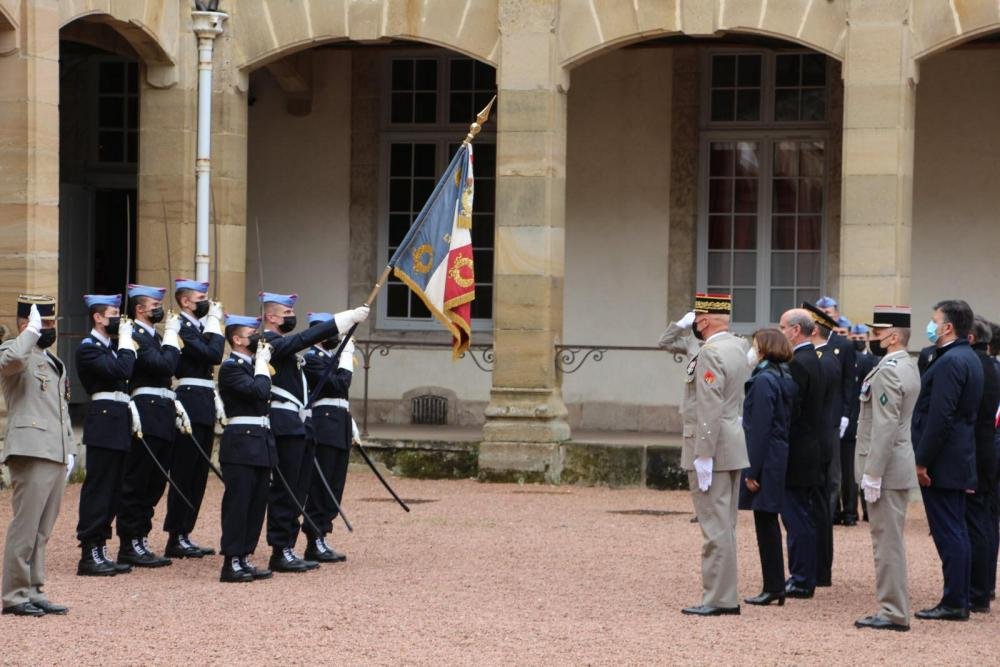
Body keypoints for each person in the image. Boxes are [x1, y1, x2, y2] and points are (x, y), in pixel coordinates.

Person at [260, 292, 369, 573]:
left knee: (297, 489)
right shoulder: (269, 342)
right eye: (286, 313)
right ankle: (280, 549)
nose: (290, 317)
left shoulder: (289, 351)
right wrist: (345, 320)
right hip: (284, 425)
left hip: (299, 425)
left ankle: (288, 546)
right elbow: (303, 343)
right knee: (285, 491)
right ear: (271, 317)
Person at [674, 293, 750, 617]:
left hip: (712, 446)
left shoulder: (710, 352)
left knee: (714, 526)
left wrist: (703, 454)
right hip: (731, 442)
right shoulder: (736, 347)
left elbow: (708, 406)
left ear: (703, 321)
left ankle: (719, 598)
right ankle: (725, 594)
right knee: (725, 525)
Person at [1, 295, 75, 616]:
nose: (48, 329)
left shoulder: (52, 361)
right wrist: (28, 333)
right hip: (30, 449)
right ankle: (15, 595)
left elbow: (60, 411)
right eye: (42, 323)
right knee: (26, 527)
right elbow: (10, 360)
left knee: (42, 530)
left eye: (50, 324)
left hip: (54, 451)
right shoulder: (15, 351)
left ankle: (33, 588)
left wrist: (68, 449)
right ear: (25, 324)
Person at [912, 299, 982, 621]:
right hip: (957, 455)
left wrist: (922, 460)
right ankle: (959, 596)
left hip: (944, 459)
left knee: (949, 531)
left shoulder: (951, 360)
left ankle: (955, 601)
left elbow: (940, 416)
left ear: (948, 326)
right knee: (956, 530)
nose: (932, 325)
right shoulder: (966, 357)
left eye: (935, 320)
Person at [853, 306, 920, 632]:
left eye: (877, 334)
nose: (872, 339)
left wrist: (873, 471)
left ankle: (893, 611)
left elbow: (885, 425)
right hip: (895, 462)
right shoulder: (906, 365)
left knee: (887, 543)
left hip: (887, 466)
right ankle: (893, 607)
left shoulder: (890, 371)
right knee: (888, 540)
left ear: (893, 337)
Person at [117, 284, 181, 568]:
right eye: (155, 305)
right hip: (146, 412)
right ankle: (129, 541)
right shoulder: (134, 335)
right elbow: (164, 366)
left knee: (156, 481)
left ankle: (142, 536)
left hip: (163, 413)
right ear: (140, 309)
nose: (160, 309)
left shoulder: (153, 336)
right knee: (138, 480)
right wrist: (170, 337)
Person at [75, 294, 137, 576]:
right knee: (99, 487)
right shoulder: (89, 348)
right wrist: (126, 343)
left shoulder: (110, 347)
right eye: (112, 313)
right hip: (103, 420)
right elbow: (122, 370)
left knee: (114, 489)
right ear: (97, 317)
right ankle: (89, 550)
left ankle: (101, 546)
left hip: (118, 419)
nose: (118, 319)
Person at [163, 279, 225, 559]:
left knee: (198, 474)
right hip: (189, 400)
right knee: (185, 472)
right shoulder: (183, 328)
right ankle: (175, 534)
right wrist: (215, 323)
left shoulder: (196, 329)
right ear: (185, 301)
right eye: (200, 297)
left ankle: (186, 532)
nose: (206, 301)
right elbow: (213, 355)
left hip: (204, 403)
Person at [739, 328, 796, 607]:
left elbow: (759, 429)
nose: (752, 350)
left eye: (754, 345)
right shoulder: (783, 374)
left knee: (766, 523)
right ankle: (773, 585)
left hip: (767, 457)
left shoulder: (764, 380)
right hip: (778, 453)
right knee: (768, 520)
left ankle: (773, 585)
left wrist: (752, 470)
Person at [217, 315, 276, 583]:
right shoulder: (231, 367)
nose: (257, 337)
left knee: (256, 504)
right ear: (237, 340)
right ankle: (231, 561)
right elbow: (259, 391)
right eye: (251, 333)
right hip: (241, 441)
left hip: (261, 441)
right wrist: (263, 364)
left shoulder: (252, 365)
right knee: (239, 503)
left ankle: (245, 556)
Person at [302, 313, 356, 563]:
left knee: (334, 484)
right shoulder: (312, 360)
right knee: (320, 486)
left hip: (339, 424)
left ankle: (323, 533)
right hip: (324, 426)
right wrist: (346, 358)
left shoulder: (329, 358)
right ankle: (314, 538)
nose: (336, 337)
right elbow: (338, 385)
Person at [778, 308, 823, 598]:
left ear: (796, 330)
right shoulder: (813, 359)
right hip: (809, 449)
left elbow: (790, 410)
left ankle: (801, 576)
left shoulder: (798, 363)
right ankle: (805, 573)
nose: (780, 331)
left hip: (797, 451)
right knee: (801, 515)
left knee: (796, 518)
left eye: (782, 327)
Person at [803, 302, 841, 588]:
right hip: (818, 439)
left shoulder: (824, 360)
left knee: (817, 507)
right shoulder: (822, 357)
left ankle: (818, 569)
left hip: (818, 441)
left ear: (814, 329)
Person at [967, 316, 999, 613]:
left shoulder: (980, 367)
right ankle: (984, 585)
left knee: (977, 520)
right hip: (989, 450)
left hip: (980, 451)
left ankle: (977, 589)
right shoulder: (992, 366)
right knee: (987, 521)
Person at [841, 324, 876, 525]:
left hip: (866, 421)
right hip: (850, 421)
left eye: (860, 336)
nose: (857, 339)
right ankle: (850, 511)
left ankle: (868, 511)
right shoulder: (849, 359)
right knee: (848, 471)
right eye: (854, 336)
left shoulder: (872, 360)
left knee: (866, 467)